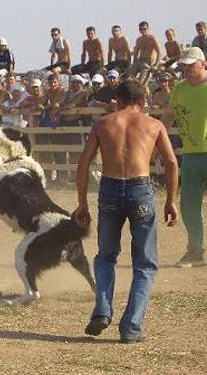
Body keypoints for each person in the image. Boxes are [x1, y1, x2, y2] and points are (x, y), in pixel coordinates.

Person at [74, 79, 178, 344]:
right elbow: (171, 162)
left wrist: (82, 202)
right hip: (140, 189)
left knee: (106, 256)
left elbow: (84, 163)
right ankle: (131, 326)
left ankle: (102, 310)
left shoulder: (103, 124)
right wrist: (170, 200)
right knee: (144, 262)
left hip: (109, 188)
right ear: (142, 102)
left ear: (117, 101)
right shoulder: (154, 125)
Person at [169, 47, 207, 267]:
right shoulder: (179, 89)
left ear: (203, 63)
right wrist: (157, 141)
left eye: (191, 65)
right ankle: (195, 251)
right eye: (184, 66)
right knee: (188, 205)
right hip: (191, 154)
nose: (186, 70)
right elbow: (168, 115)